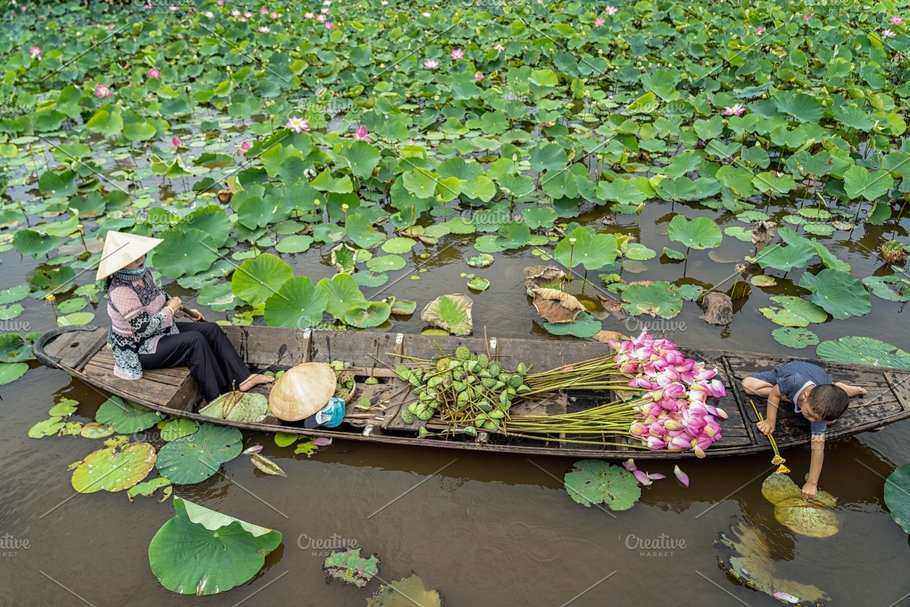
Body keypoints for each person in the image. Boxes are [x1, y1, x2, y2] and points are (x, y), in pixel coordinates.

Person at [97, 231, 273, 404]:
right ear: (119, 264)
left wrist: (186, 311)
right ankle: (216, 397)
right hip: (140, 348)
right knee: (194, 341)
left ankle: (243, 377)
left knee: (210, 329)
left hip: (161, 331)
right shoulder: (121, 291)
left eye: (139, 255)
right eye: (132, 259)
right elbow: (144, 329)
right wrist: (171, 310)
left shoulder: (143, 274)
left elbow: (161, 298)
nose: (140, 259)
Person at [742, 361, 867, 499]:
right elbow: (775, 394)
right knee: (748, 385)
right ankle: (795, 396)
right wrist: (769, 421)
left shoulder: (819, 413)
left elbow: (818, 448)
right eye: (809, 414)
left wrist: (812, 483)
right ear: (806, 395)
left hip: (822, 380)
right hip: (790, 372)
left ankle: (845, 389)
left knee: (832, 420)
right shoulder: (794, 381)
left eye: (816, 419)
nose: (812, 421)